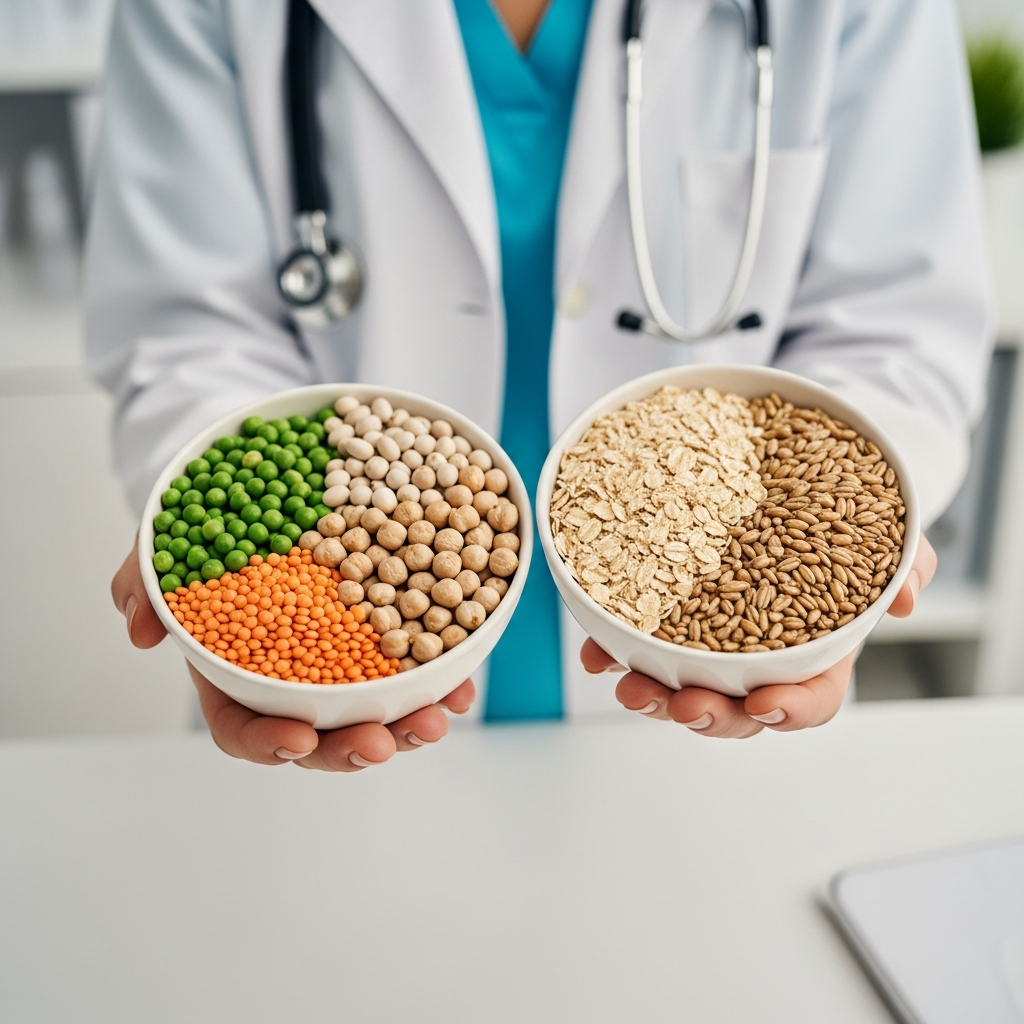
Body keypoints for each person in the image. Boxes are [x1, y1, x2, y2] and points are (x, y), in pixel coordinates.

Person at [92, 0, 986, 771]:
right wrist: (203, 484)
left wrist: (852, 544)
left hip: (718, 751)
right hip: (332, 716)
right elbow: (186, 329)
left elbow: (896, 325)